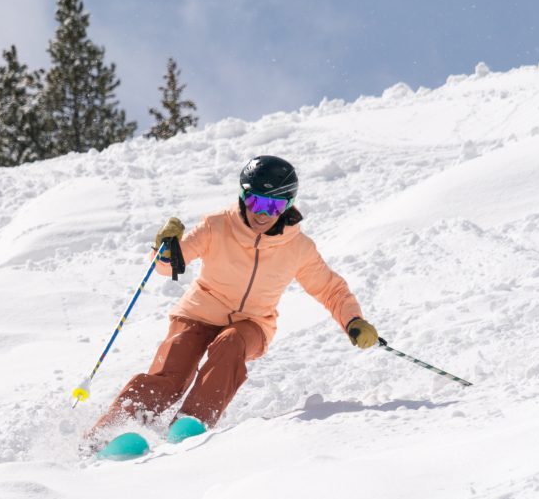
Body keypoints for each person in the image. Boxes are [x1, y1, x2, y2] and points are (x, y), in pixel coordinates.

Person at [89, 155, 379, 443]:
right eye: (255, 201)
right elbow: (169, 264)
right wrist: (165, 248)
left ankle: (191, 423)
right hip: (198, 313)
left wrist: (353, 320)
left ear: (288, 206)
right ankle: (114, 426)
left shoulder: (298, 248)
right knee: (171, 375)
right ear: (243, 196)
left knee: (230, 344)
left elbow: (331, 289)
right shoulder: (217, 226)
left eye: (274, 205)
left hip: (252, 323)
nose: (262, 213)